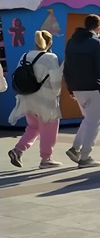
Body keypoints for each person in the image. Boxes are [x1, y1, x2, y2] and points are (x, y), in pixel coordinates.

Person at [63, 14, 100, 169]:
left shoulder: (71, 43)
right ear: (99, 27)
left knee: (88, 119)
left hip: (77, 88)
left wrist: (70, 88)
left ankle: (75, 149)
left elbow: (66, 68)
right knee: (95, 123)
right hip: (93, 88)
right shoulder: (96, 43)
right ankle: (85, 157)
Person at [8, 31, 64, 169]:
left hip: (27, 98)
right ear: (50, 43)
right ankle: (46, 158)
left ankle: (18, 150)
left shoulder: (25, 55)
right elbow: (56, 81)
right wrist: (57, 94)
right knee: (49, 128)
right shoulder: (51, 57)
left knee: (34, 127)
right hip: (45, 100)